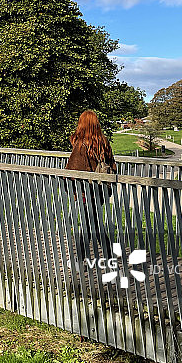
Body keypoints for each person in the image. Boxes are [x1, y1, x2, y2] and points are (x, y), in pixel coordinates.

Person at [65, 109, 116, 259]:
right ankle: (107, 256)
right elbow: (112, 165)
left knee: (89, 224)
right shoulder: (103, 142)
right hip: (101, 189)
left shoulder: (81, 143)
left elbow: (74, 169)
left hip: (86, 191)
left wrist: (68, 187)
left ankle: (80, 260)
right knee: (93, 223)